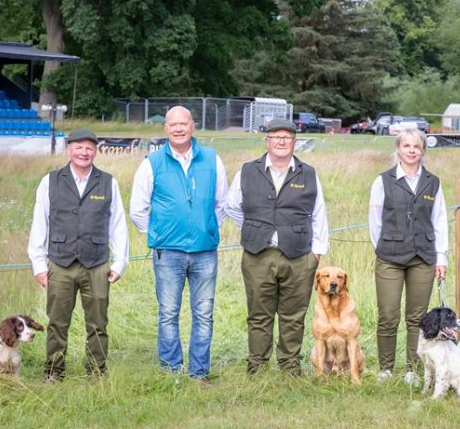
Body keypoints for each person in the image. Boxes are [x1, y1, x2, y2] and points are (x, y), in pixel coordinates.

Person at [129, 106, 228, 385]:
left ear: (193, 126)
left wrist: (206, 227)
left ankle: (199, 373)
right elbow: (138, 209)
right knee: (168, 313)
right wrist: (159, 233)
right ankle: (171, 371)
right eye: (173, 124)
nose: (178, 128)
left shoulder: (212, 159)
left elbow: (222, 203)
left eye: (183, 123)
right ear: (165, 129)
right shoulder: (152, 162)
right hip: (167, 253)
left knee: (204, 314)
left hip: (205, 252)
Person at [224, 119, 329, 376]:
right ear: (267, 141)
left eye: (287, 137)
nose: (281, 141)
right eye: (276, 136)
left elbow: (319, 214)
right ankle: (257, 366)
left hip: (299, 256)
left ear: (294, 142)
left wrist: (316, 253)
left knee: (293, 316)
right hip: (258, 255)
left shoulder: (309, 173)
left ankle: (290, 366)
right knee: (259, 315)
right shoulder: (247, 171)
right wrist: (257, 229)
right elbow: (231, 206)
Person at [28, 129, 129, 380]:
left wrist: (120, 262)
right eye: (79, 147)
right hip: (60, 263)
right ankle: (54, 371)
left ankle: (96, 372)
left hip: (96, 264)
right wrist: (39, 265)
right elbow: (39, 223)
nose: (84, 152)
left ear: (96, 151)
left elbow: (117, 224)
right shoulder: (49, 181)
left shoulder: (108, 182)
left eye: (89, 148)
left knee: (98, 323)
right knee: (57, 322)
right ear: (69, 149)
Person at [368, 128, 447, 384]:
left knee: (417, 317)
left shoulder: (433, 182)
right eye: (406, 146)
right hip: (389, 257)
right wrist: (386, 245)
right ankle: (386, 368)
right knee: (388, 315)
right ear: (398, 149)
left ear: (423, 150)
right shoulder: (383, 181)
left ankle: (413, 369)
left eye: (417, 146)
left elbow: (439, 221)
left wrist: (441, 257)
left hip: (423, 258)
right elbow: (375, 222)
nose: (411, 150)